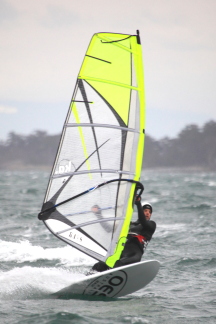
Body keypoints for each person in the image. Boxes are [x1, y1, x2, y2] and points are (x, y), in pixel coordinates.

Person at [87, 196, 156, 274]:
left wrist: (138, 203)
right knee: (99, 265)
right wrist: (98, 214)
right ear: (141, 211)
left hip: (133, 256)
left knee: (118, 264)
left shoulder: (151, 225)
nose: (148, 213)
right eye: (145, 210)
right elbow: (108, 228)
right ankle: (85, 279)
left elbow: (143, 222)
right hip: (120, 255)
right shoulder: (128, 225)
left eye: (150, 212)